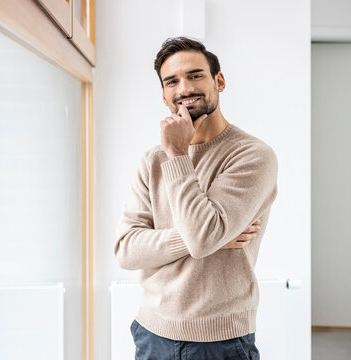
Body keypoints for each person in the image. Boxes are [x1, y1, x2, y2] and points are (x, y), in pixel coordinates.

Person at [115, 36, 278, 360]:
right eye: (172, 81)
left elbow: (203, 238)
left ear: (219, 80)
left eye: (195, 75)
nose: (184, 88)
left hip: (220, 342)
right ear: (164, 95)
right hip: (151, 334)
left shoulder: (252, 155)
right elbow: (126, 250)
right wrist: (201, 236)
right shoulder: (152, 160)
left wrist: (177, 152)